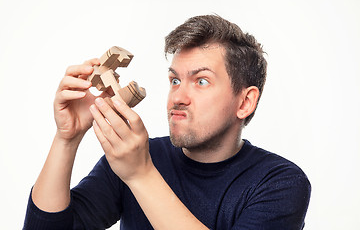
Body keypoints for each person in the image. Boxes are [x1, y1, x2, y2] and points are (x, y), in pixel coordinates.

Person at [23, 15, 311, 230]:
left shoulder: (281, 182)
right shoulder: (136, 158)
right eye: (175, 80)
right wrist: (67, 138)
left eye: (201, 81)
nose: (178, 97)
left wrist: (140, 174)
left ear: (245, 102)